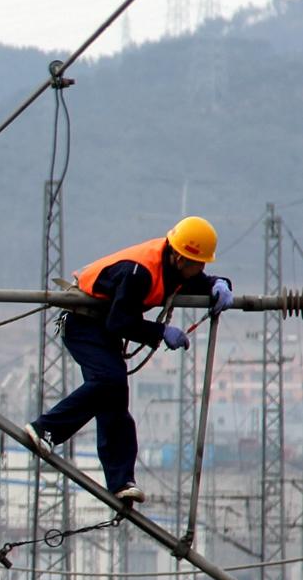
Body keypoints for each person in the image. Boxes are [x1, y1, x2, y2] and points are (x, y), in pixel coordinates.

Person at [32, 216, 230, 504]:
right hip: (83, 324)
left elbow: (200, 281)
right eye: (196, 264)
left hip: (101, 327)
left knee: (115, 398)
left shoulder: (175, 266)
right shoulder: (141, 272)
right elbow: (120, 322)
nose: (200, 270)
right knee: (108, 381)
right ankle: (45, 428)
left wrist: (219, 284)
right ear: (179, 257)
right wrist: (161, 331)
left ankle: (121, 480)